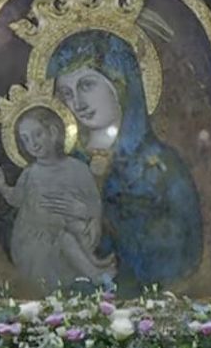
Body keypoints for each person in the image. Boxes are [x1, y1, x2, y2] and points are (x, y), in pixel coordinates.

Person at [44, 29, 202, 295]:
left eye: (86, 85)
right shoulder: (63, 164)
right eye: (66, 93)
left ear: (121, 82)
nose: (78, 103)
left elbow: (184, 252)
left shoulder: (163, 167)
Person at [0, 106, 115, 289]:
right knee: (65, 237)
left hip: (69, 229)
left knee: (75, 229)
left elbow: (94, 203)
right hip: (34, 241)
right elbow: (16, 199)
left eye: (37, 134)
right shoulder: (30, 174)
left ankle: (93, 263)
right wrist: (1, 186)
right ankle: (94, 273)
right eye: (25, 139)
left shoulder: (78, 169)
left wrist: (84, 211)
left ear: (54, 132)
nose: (32, 143)